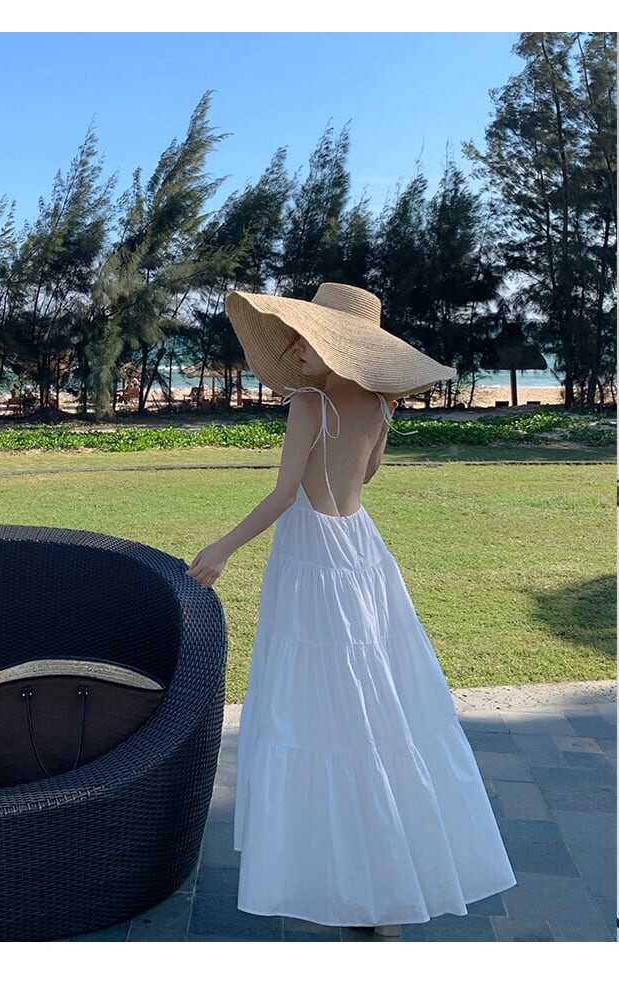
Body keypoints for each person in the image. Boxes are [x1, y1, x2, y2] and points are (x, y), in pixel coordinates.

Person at [185, 282, 516, 936]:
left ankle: (338, 872)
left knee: (315, 700)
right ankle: (383, 882)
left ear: (343, 348)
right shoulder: (378, 408)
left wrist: (222, 548)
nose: (294, 348)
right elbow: (363, 478)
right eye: (295, 335)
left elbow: (284, 494)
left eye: (308, 337)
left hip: (312, 555)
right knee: (372, 699)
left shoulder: (309, 403)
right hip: (360, 551)